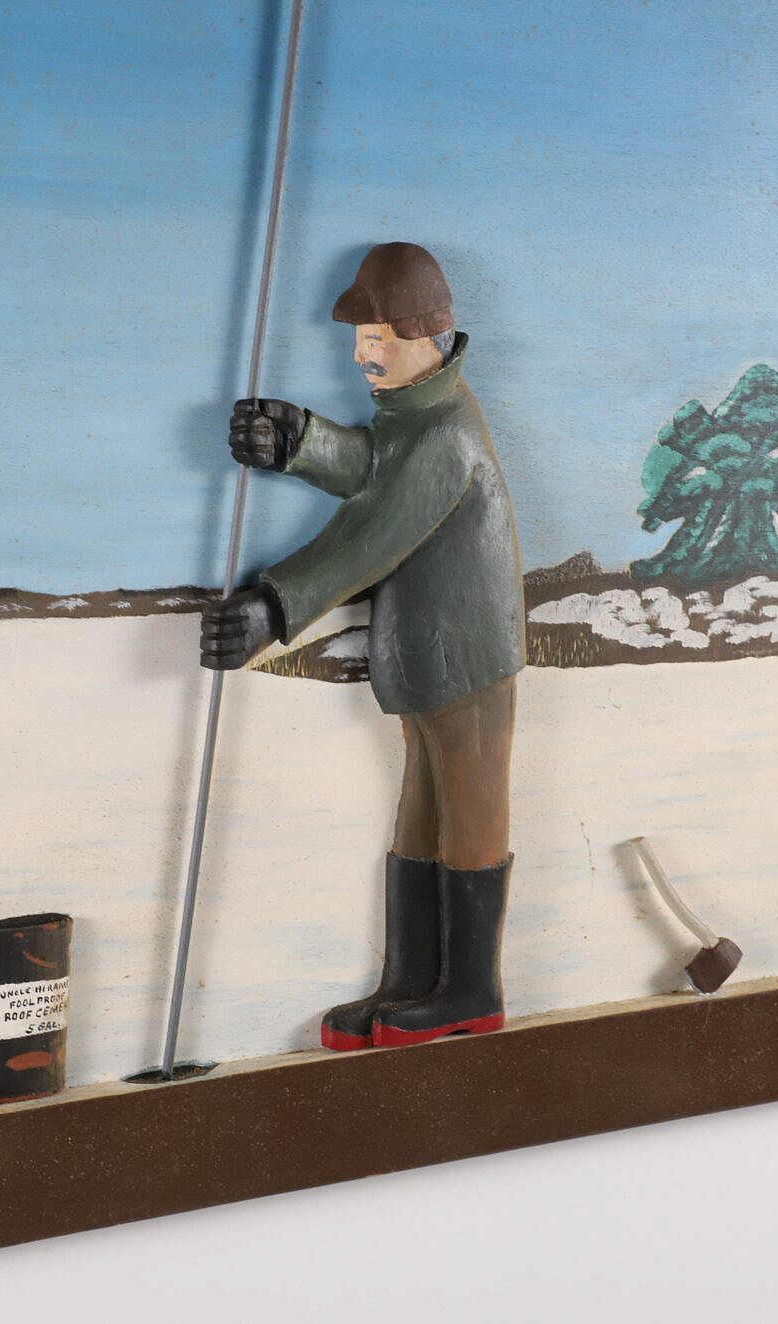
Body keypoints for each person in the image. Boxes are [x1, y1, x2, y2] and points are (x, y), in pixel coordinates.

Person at [200, 242, 525, 1050]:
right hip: (428, 660)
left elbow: (374, 532)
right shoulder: (417, 418)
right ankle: (412, 983)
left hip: (467, 659)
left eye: (375, 338)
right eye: (358, 339)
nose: (361, 355)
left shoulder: (447, 434)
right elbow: (378, 467)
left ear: (421, 334)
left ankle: (471, 992)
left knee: (469, 813)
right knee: (421, 815)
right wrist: (301, 441)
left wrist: (274, 608)